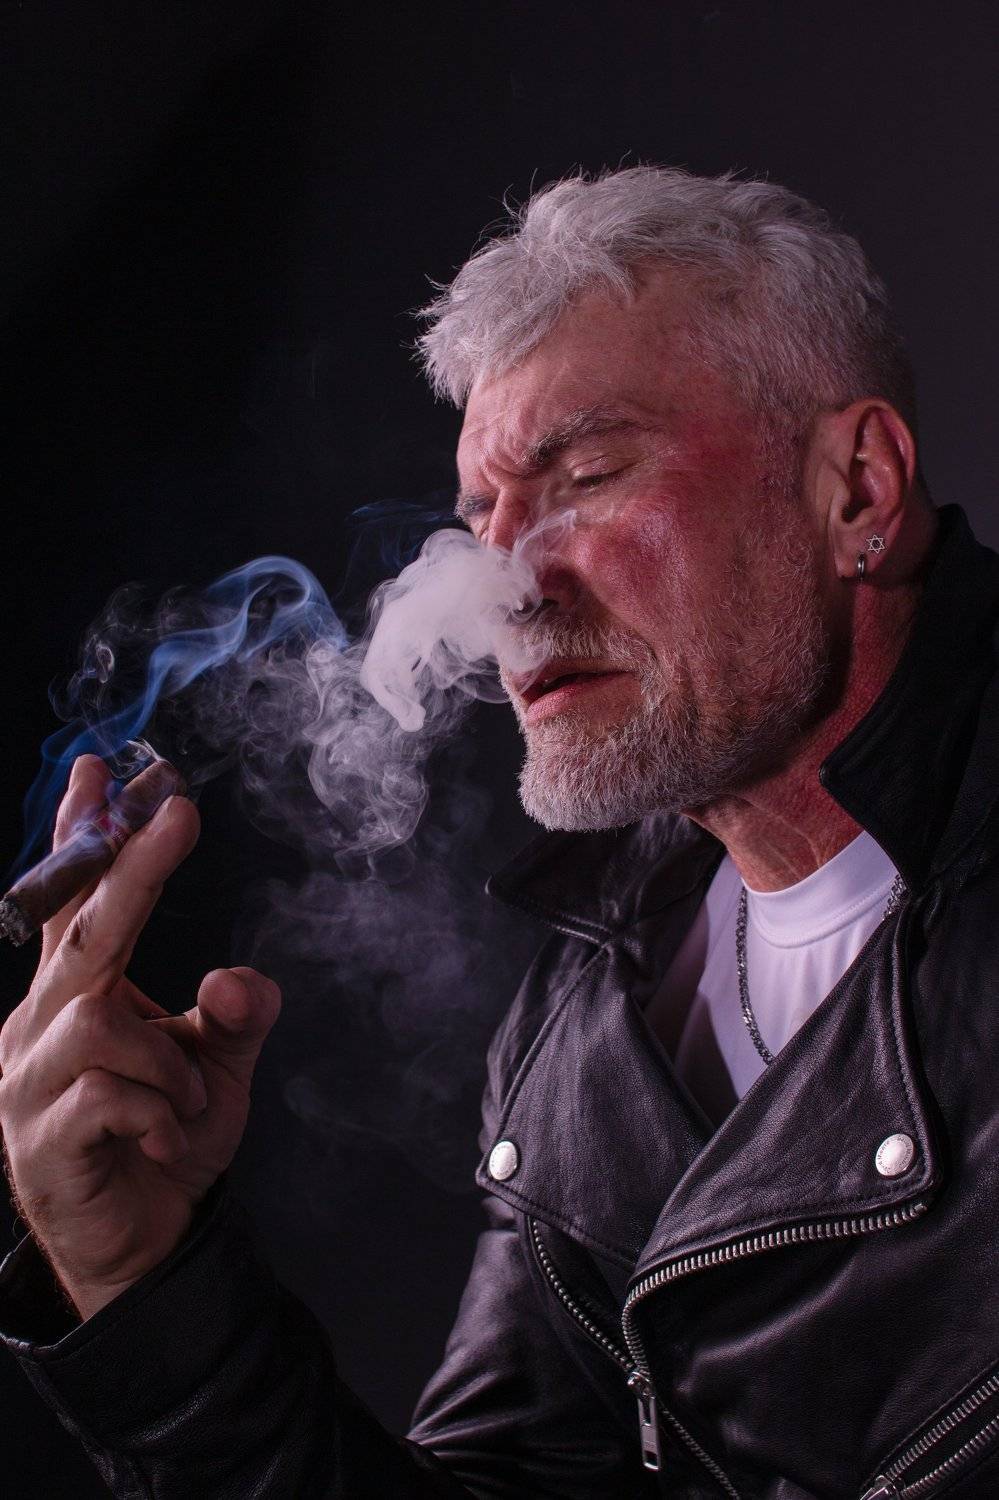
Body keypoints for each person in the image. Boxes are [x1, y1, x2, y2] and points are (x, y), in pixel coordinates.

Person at [1, 165, 997, 1499]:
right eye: (481, 520)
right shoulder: (594, 1002)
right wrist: (144, 1285)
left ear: (858, 490)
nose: (504, 586)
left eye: (586, 475)